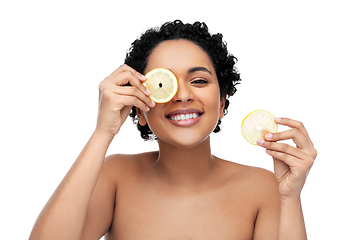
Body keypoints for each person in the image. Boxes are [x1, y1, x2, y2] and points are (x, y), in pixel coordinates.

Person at [29, 20, 317, 240]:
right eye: (163, 84)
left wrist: (290, 198)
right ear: (139, 108)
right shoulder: (114, 177)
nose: (182, 95)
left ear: (222, 103)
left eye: (199, 81)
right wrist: (102, 134)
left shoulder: (264, 188)